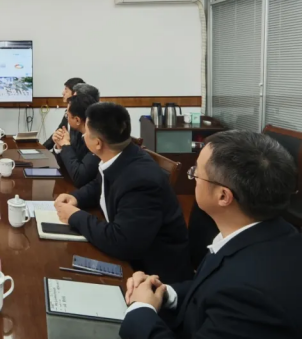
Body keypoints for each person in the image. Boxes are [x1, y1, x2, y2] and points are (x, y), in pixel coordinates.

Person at [121, 131, 301, 340]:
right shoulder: (273, 233)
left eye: (196, 172)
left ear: (223, 196)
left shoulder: (250, 297)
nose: (193, 177)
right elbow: (213, 288)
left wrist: (141, 309)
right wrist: (164, 293)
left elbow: (231, 292)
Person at [54, 102, 192, 284]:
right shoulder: (122, 154)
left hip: (152, 276)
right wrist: (76, 198)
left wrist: (75, 216)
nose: (83, 135)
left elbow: (123, 242)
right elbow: (99, 184)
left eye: (86, 132)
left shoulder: (141, 181)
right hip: (129, 256)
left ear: (97, 143)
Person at [51, 87, 101, 188]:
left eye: (67, 115)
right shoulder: (78, 133)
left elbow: (80, 177)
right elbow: (66, 167)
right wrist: (59, 147)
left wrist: (65, 145)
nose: (66, 118)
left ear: (77, 120)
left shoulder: (97, 139)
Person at [43, 77, 86, 150]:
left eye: (66, 90)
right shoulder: (68, 112)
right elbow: (58, 133)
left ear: (75, 93)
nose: (63, 93)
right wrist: (42, 149)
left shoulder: (81, 115)